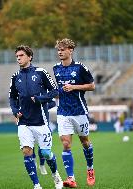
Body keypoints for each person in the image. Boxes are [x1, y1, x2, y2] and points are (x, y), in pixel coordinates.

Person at [9, 45, 63, 189]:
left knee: (45, 153)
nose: (18, 58)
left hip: (41, 121)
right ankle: (36, 185)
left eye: (21, 55)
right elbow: (12, 98)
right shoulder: (15, 77)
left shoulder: (41, 72)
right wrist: (15, 110)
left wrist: (40, 98)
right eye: (17, 56)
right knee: (27, 151)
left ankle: (55, 174)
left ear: (29, 57)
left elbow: (55, 91)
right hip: (24, 122)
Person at [53, 38, 95, 188]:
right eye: (58, 50)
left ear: (70, 50)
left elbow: (92, 86)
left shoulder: (80, 67)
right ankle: (71, 178)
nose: (60, 52)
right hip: (63, 112)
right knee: (65, 144)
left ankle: (90, 169)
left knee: (85, 142)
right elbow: (58, 89)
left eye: (63, 49)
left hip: (79, 111)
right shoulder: (55, 68)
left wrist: (74, 87)